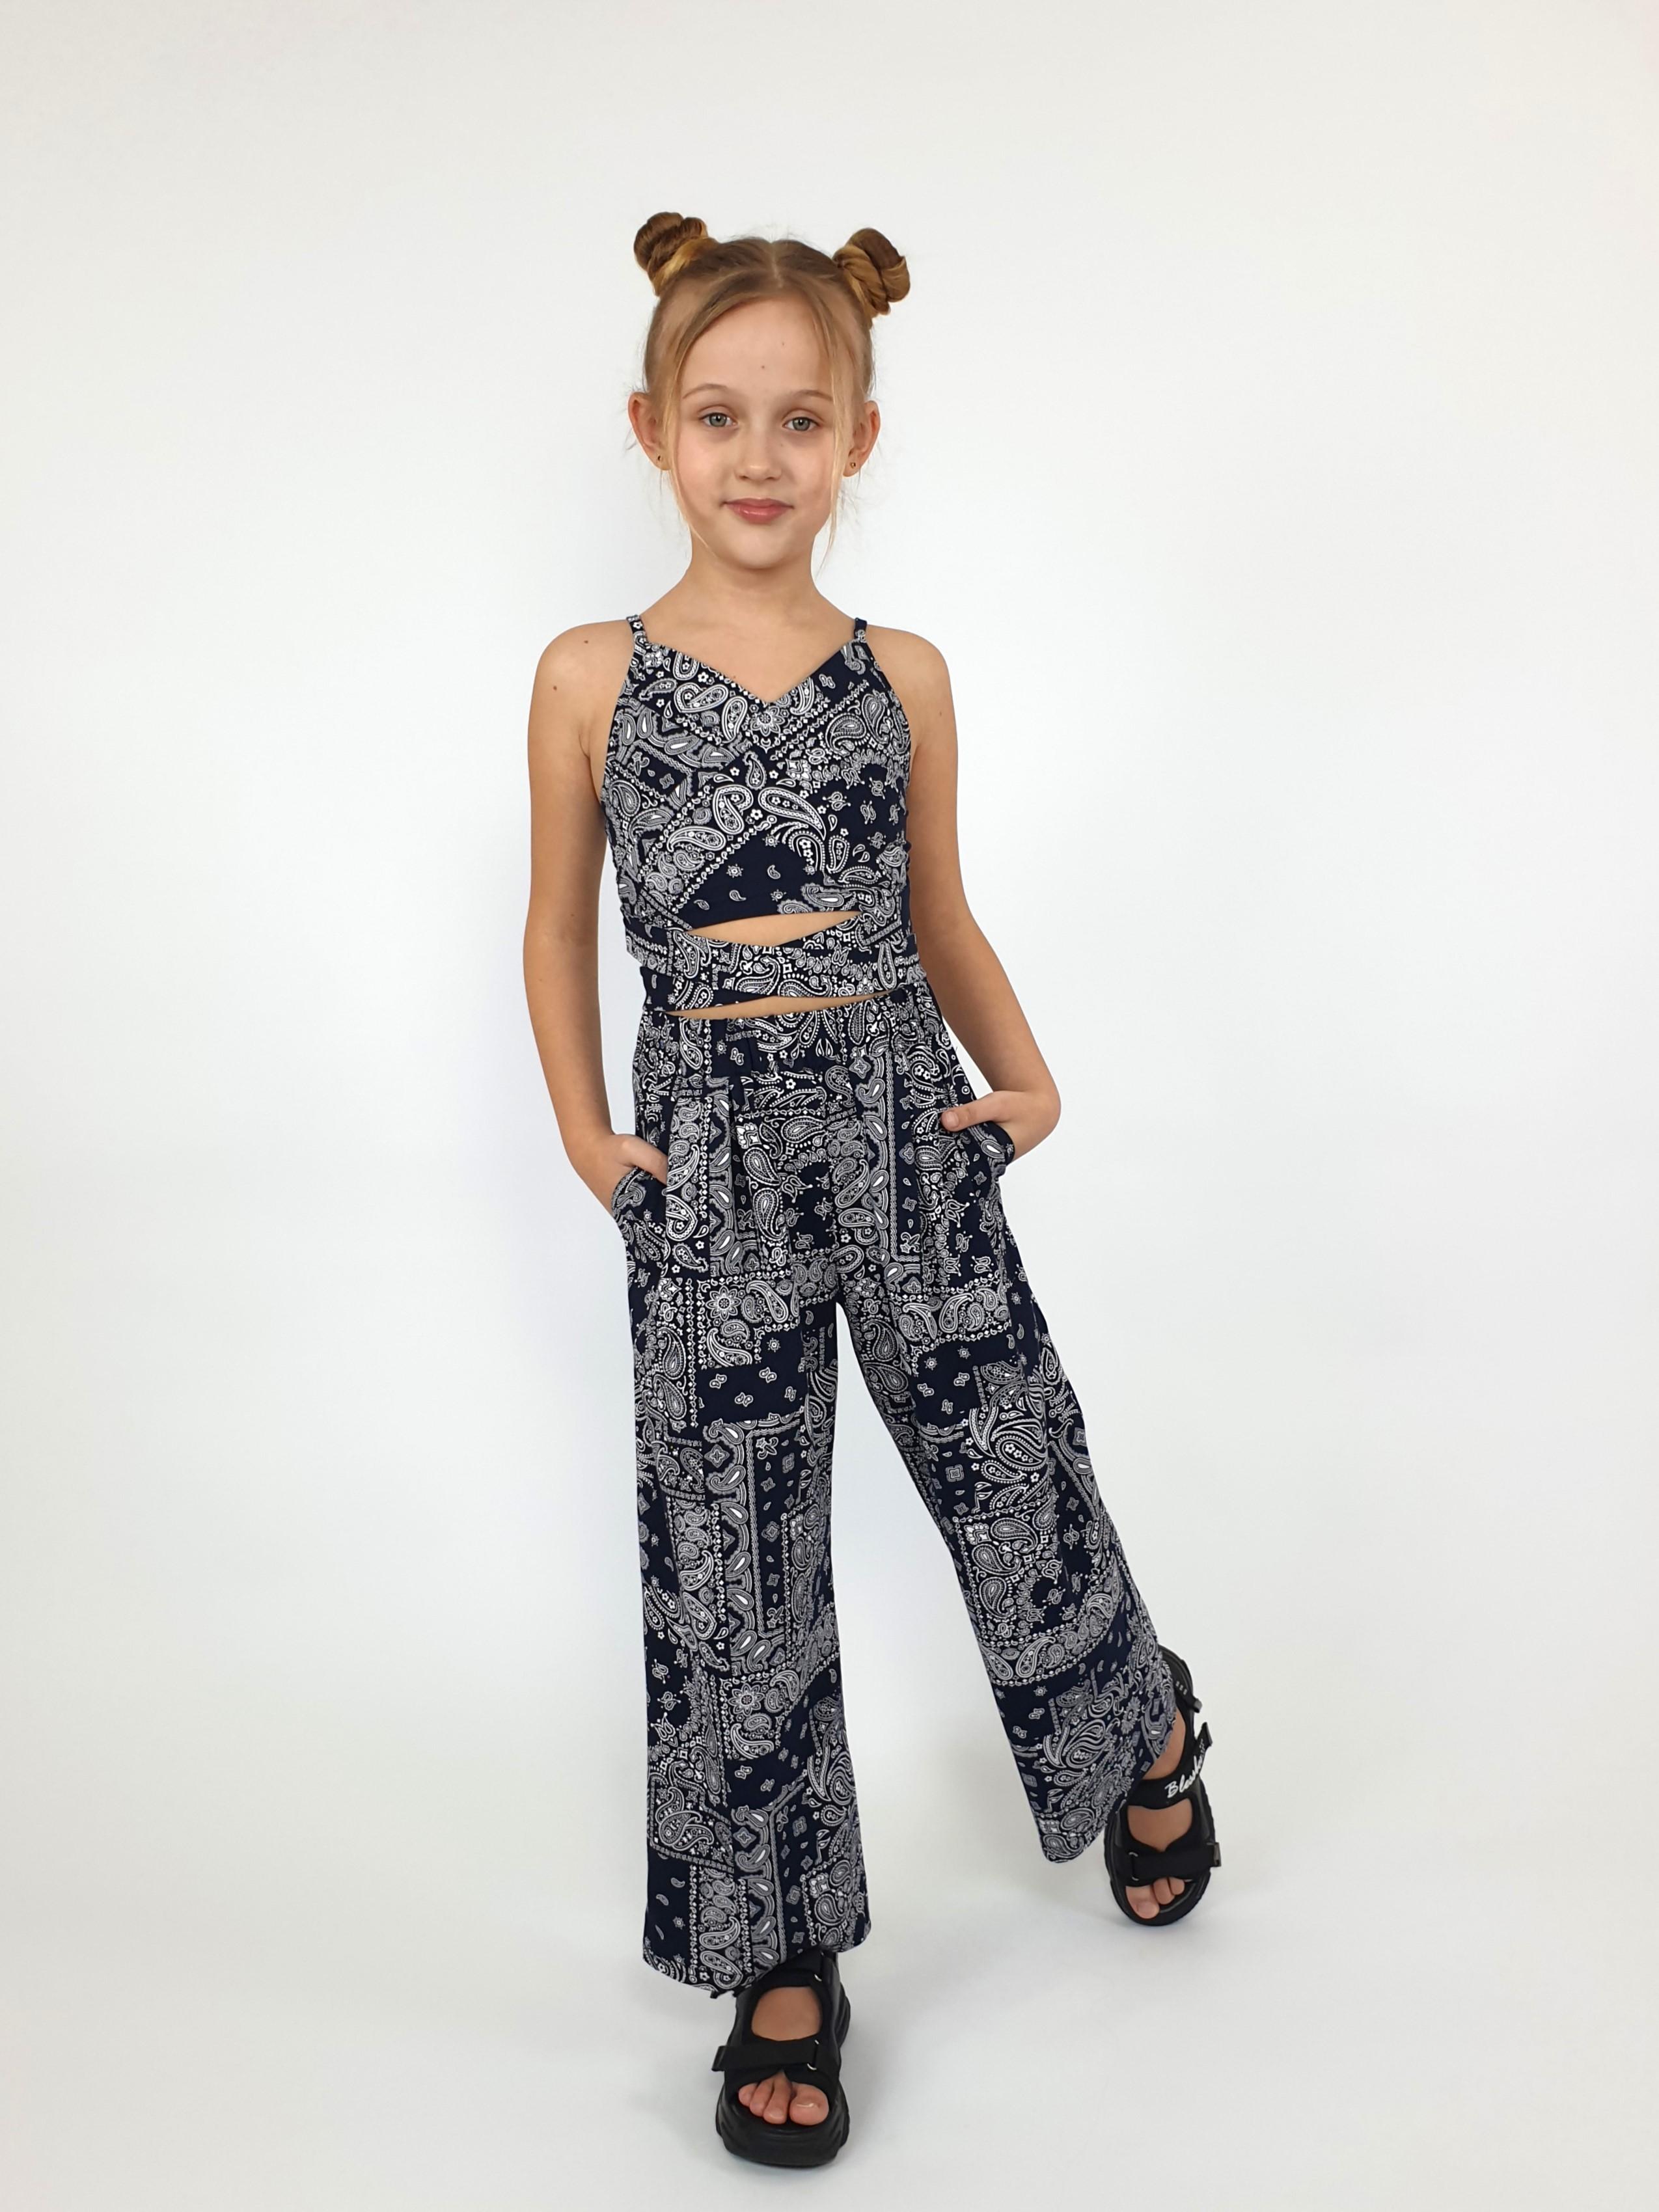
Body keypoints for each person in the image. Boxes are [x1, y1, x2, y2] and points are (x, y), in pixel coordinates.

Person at [522, 212, 1221, 2168]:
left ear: (859, 438)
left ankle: (1142, 1718)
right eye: (719, 416)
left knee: (1010, 1465)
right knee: (734, 1553)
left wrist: (1028, 1077)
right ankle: (779, 1958)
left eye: (802, 420)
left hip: (903, 1114)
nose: (760, 457)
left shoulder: (900, 674)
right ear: (653, 428)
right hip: (708, 1146)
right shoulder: (588, 677)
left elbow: (941, 911)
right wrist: (585, 1130)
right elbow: (555, 929)